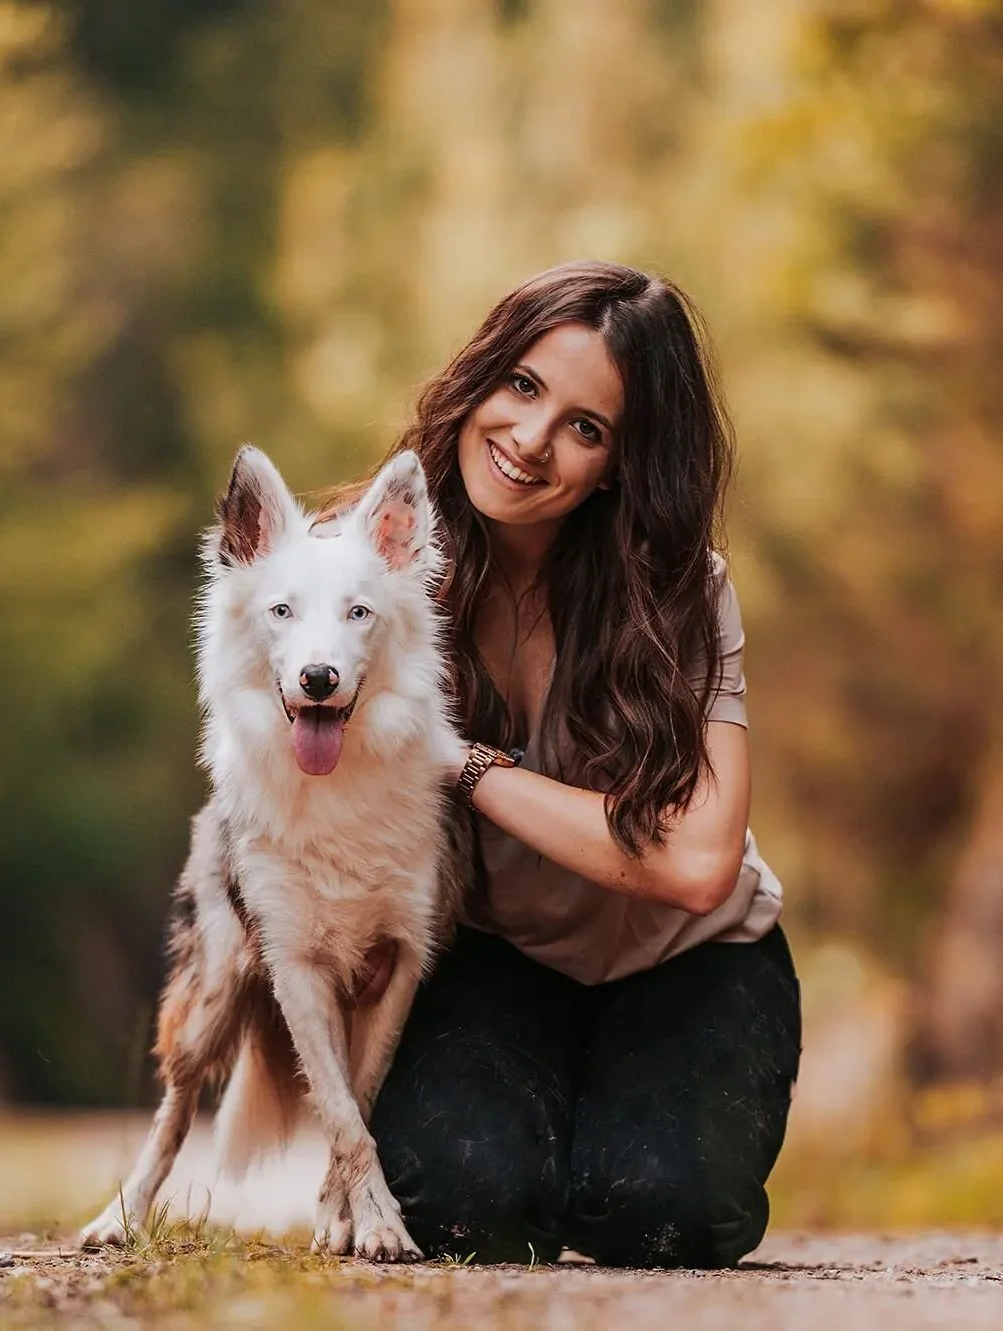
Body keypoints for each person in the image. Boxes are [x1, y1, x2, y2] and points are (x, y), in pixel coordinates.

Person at [367, 261, 801, 1268]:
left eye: (585, 426)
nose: (530, 440)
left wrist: (463, 762)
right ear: (479, 377)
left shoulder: (681, 593)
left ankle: (611, 1142)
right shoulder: (377, 573)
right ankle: (543, 1140)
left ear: (618, 463)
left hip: (689, 960)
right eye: (522, 386)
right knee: (468, 1211)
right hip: (493, 958)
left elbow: (698, 866)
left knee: (661, 1214)